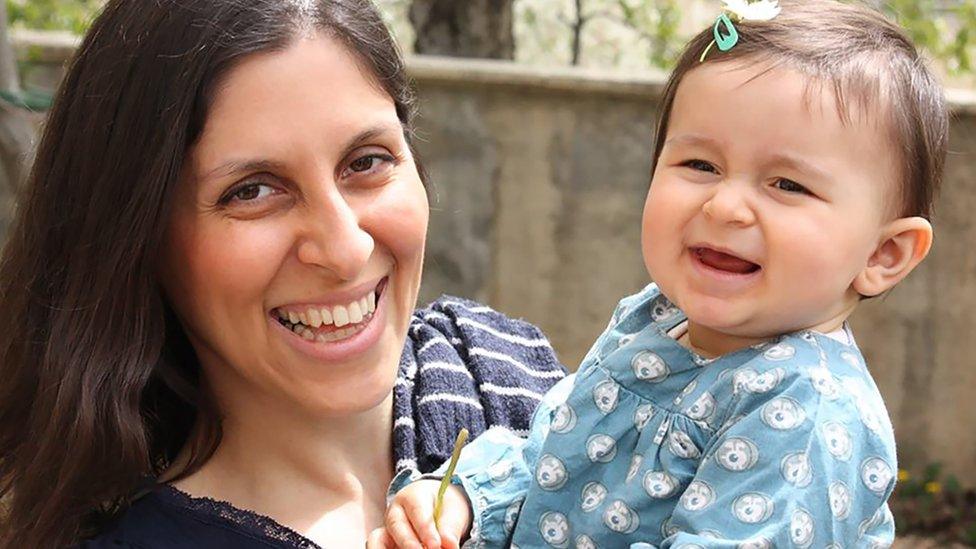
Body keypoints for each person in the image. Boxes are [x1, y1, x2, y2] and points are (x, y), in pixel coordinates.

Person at [374, 0, 948, 546]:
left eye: (787, 184)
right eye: (700, 164)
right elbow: (550, 454)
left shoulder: (808, 411)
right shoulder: (653, 318)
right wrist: (465, 500)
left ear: (883, 255)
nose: (724, 207)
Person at [0, 1, 567, 547]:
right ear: (138, 237)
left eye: (367, 160)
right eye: (252, 191)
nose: (345, 248)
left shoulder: (505, 368)